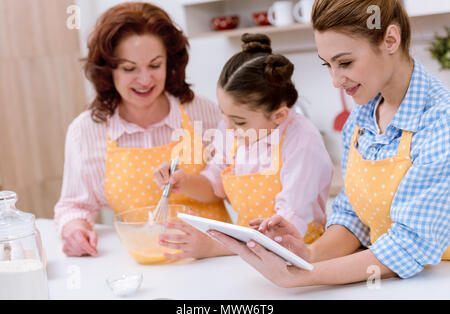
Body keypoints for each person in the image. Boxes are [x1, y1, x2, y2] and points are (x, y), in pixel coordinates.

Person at [208, 0, 450, 287]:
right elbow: (353, 216)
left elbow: (408, 245)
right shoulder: (361, 117)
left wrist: (302, 276)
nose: (335, 80)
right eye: (328, 65)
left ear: (390, 39)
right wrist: (308, 254)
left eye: (345, 62)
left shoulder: (440, 122)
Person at [54, 2, 231, 257]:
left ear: (169, 63)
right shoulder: (85, 131)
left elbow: (233, 183)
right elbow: (74, 205)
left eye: (155, 65)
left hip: (215, 260)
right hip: (143, 262)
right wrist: (75, 231)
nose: (145, 79)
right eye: (129, 69)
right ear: (108, 69)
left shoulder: (203, 113)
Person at [154, 33, 333, 260]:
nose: (227, 127)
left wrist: (212, 247)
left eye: (239, 121)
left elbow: (287, 230)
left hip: (295, 257)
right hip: (245, 253)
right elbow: (214, 183)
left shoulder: (302, 142)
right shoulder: (230, 130)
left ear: (279, 115)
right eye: (223, 113)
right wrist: (185, 181)